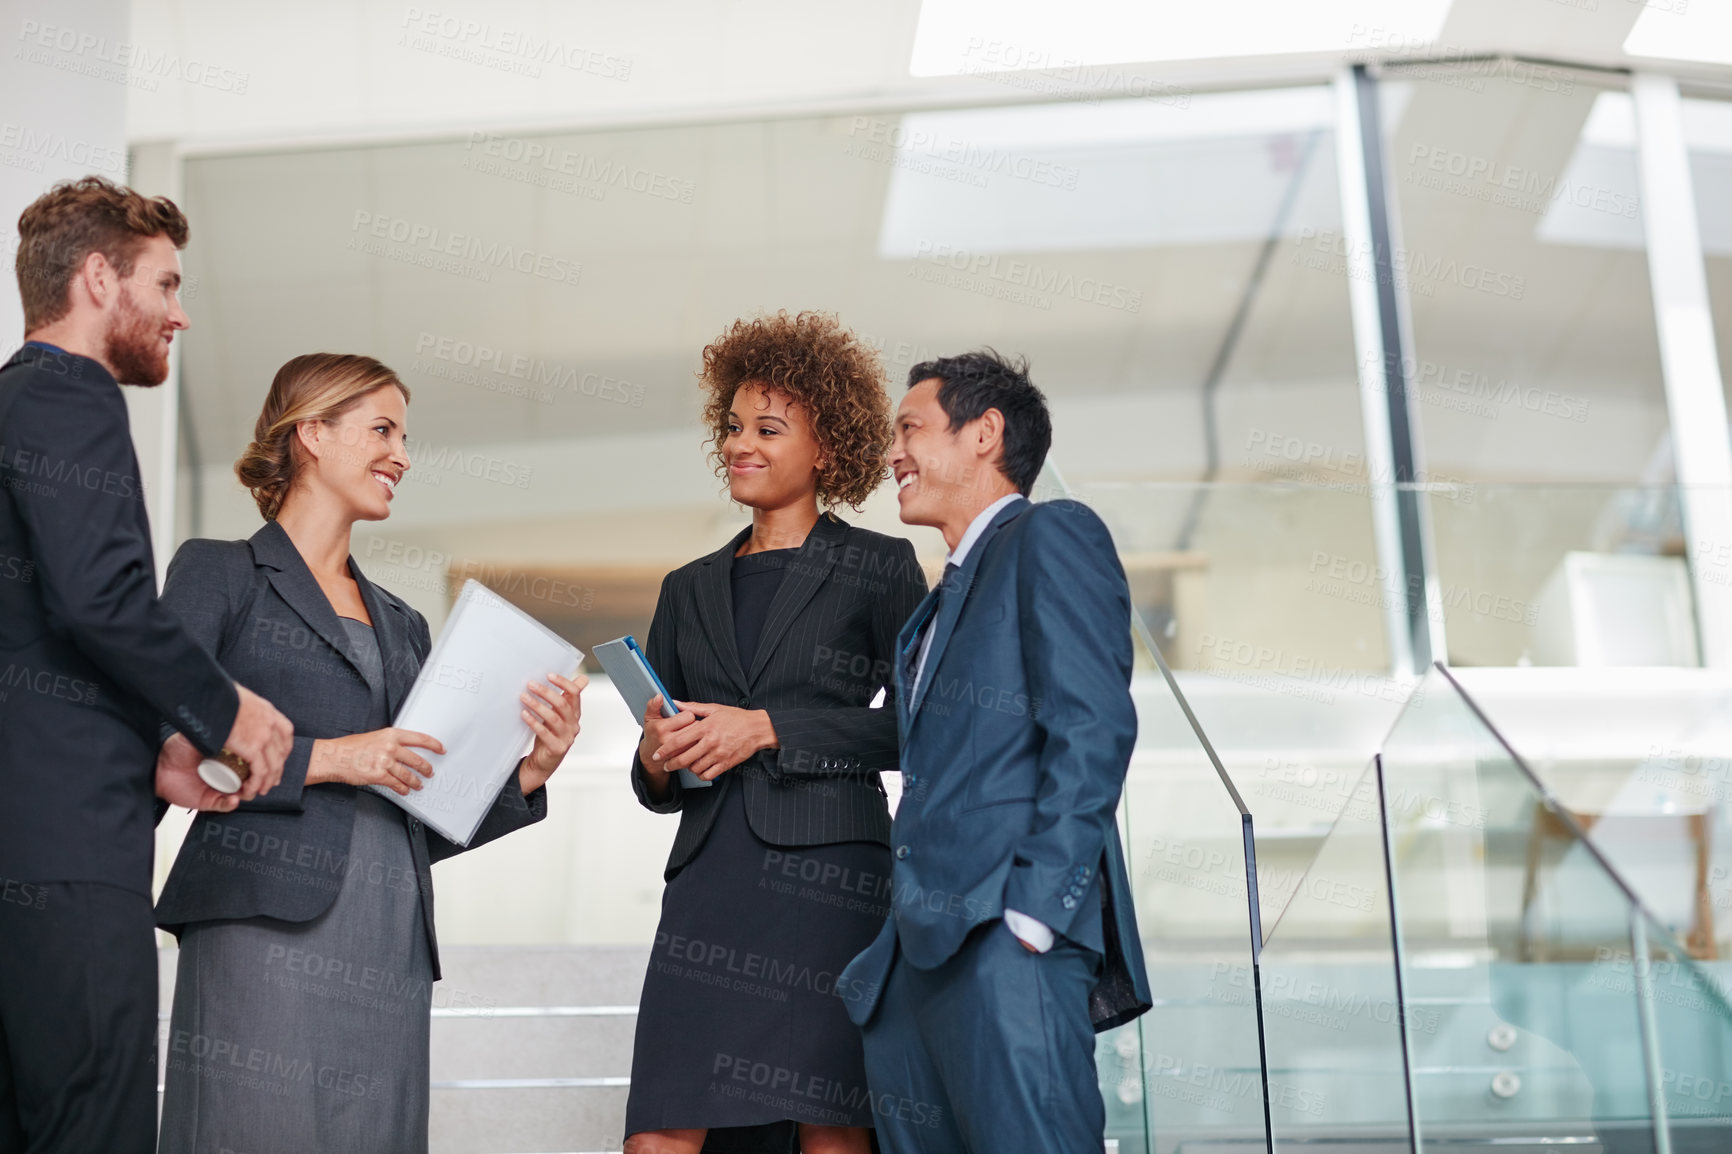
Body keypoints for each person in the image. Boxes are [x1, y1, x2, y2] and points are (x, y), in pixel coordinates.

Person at [153, 352, 586, 1153]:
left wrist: (527, 772)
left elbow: (425, 801)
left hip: (389, 932)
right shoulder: (220, 574)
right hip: (261, 919)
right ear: (312, 434)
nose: (403, 456)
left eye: (404, 436)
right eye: (382, 430)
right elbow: (172, 747)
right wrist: (334, 758)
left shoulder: (404, 623)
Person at [0, 176, 294, 1154]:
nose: (181, 311)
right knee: (94, 1124)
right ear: (97, 277)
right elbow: (101, 597)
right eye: (164, 284)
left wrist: (155, 754)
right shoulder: (67, 394)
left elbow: (43, 629)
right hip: (69, 858)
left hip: (29, 848)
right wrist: (226, 709)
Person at [623, 312, 926, 1154]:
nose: (739, 445)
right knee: (659, 1130)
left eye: (767, 428)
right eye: (732, 427)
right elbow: (657, 763)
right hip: (710, 875)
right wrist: (656, 759)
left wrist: (768, 729)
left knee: (833, 1130)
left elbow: (918, 732)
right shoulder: (687, 588)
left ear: (826, 448)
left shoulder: (881, 566)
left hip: (831, 879)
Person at [838, 350, 1152, 1153]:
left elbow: (1093, 728)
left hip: (1005, 943)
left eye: (910, 429)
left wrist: (1035, 916)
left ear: (985, 434)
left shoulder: (1051, 534)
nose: (892, 453)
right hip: (915, 964)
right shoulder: (931, 610)